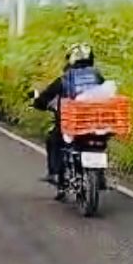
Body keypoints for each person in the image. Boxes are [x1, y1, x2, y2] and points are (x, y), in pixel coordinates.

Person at [30, 43, 105, 199]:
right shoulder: (98, 77)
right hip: (95, 123)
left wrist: (38, 102)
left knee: (53, 139)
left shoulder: (64, 79)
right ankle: (100, 176)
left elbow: (43, 99)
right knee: (101, 140)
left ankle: (56, 173)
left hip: (71, 124)